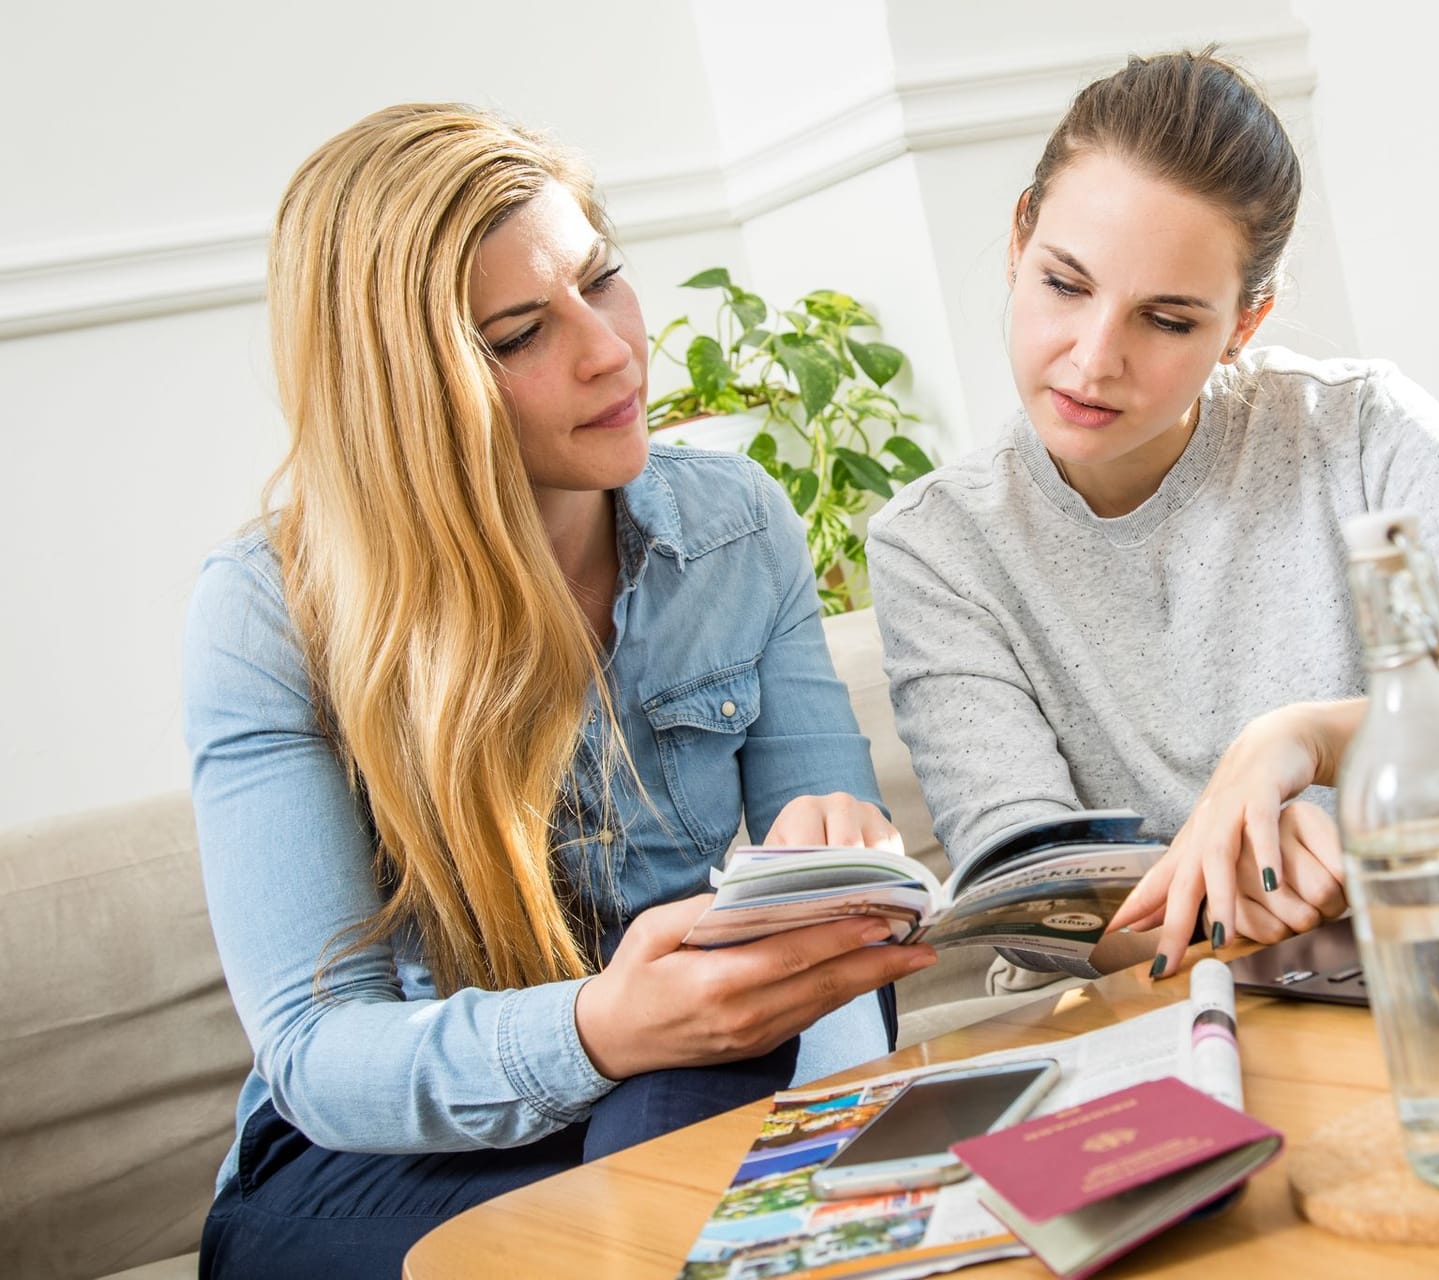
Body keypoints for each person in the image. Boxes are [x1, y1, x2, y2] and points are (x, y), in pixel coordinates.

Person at [182, 104, 934, 1278]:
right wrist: (601, 1028)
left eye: (604, 279)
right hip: (377, 1156)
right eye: (523, 331)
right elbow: (321, 1054)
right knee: (666, 1150)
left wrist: (834, 872)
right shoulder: (273, 612)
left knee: (689, 1108)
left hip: (681, 1086)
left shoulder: (739, 528)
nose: (612, 350)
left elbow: (841, 926)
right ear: (405, 389)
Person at [866, 51, 1439, 980]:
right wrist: (1239, 901)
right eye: (1065, 285)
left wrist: (1313, 739)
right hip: (1144, 1016)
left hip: (1428, 963)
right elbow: (1032, 903)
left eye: (1166, 321)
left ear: (1245, 322)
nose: (1092, 359)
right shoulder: (937, 546)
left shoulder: (1359, 429)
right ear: (1018, 240)